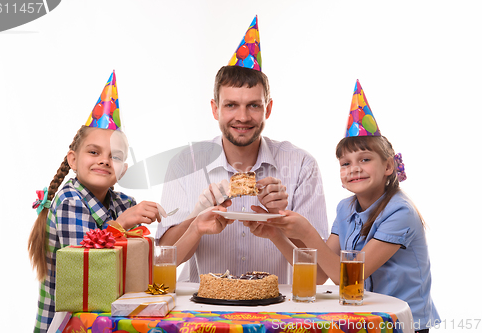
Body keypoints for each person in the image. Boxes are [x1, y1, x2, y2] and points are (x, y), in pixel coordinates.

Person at [28, 72, 230, 332]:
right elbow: (81, 276)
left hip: (109, 323)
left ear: (123, 170)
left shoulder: (124, 202)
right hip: (71, 325)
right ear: (73, 160)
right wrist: (122, 223)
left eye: (116, 156)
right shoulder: (69, 200)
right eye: (93, 152)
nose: (104, 160)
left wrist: (196, 222)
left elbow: (153, 269)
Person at [156, 16, 328, 284]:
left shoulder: (302, 164)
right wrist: (195, 218)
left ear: (268, 109)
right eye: (231, 105)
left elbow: (318, 276)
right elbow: (163, 259)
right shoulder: (184, 163)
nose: (243, 117)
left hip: (276, 310)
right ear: (215, 109)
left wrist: (281, 221)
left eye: (254, 105)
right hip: (203, 310)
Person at [260, 80, 439, 333]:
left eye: (365, 159)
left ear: (388, 167)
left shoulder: (401, 212)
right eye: (345, 163)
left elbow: (347, 280)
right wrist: (276, 234)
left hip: (401, 323)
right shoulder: (345, 209)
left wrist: (307, 231)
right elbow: (320, 275)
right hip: (366, 318)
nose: (354, 168)